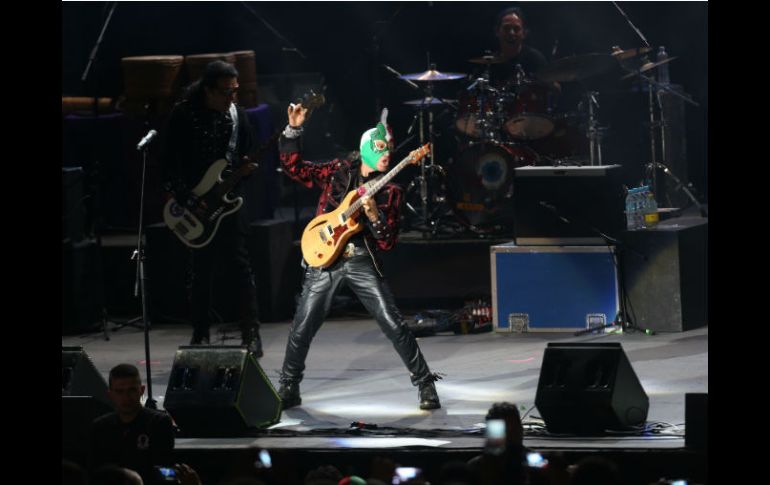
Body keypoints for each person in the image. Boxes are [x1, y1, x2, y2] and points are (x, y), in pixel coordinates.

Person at [275, 103, 441, 410]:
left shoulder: (390, 190)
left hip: (361, 258)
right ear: (365, 151)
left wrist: (374, 216)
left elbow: (388, 242)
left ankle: (425, 384)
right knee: (302, 326)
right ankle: (288, 386)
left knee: (393, 323)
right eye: (379, 149)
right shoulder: (338, 171)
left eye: (388, 149)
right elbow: (295, 169)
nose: (386, 154)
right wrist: (293, 131)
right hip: (325, 257)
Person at [162, 60, 262, 356]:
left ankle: (251, 332)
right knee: (200, 270)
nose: (232, 97)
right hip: (196, 205)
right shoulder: (183, 115)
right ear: (207, 90)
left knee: (240, 266)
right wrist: (189, 199)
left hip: (229, 204)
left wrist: (246, 170)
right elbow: (168, 166)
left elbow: (246, 157)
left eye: (235, 90)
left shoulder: (238, 116)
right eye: (226, 92)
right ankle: (200, 333)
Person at [90, 364, 175, 484]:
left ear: (142, 390)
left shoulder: (158, 423)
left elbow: (165, 469)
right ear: (110, 395)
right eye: (120, 392)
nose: (126, 397)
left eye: (132, 390)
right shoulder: (101, 427)